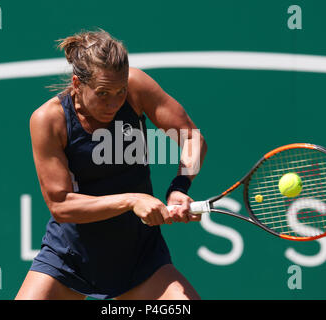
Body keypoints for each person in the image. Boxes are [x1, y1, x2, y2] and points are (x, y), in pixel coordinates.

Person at [15, 29, 207, 300]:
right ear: (77, 84)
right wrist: (131, 200)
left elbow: (192, 138)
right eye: (103, 93)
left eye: (120, 91)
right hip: (70, 258)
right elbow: (61, 205)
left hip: (139, 259)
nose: (114, 102)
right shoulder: (48, 120)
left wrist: (179, 187)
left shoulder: (137, 87)